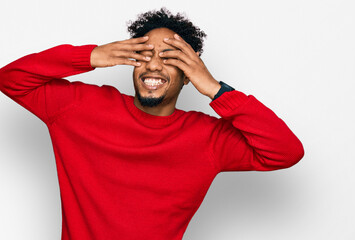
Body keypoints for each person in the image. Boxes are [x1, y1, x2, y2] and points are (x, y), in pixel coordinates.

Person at [0, 7, 304, 240]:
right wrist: (90, 56)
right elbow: (11, 79)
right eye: (145, 55)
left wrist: (214, 88)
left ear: (189, 75)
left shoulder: (208, 139)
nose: (154, 64)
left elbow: (285, 151)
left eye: (170, 58)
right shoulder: (79, 108)